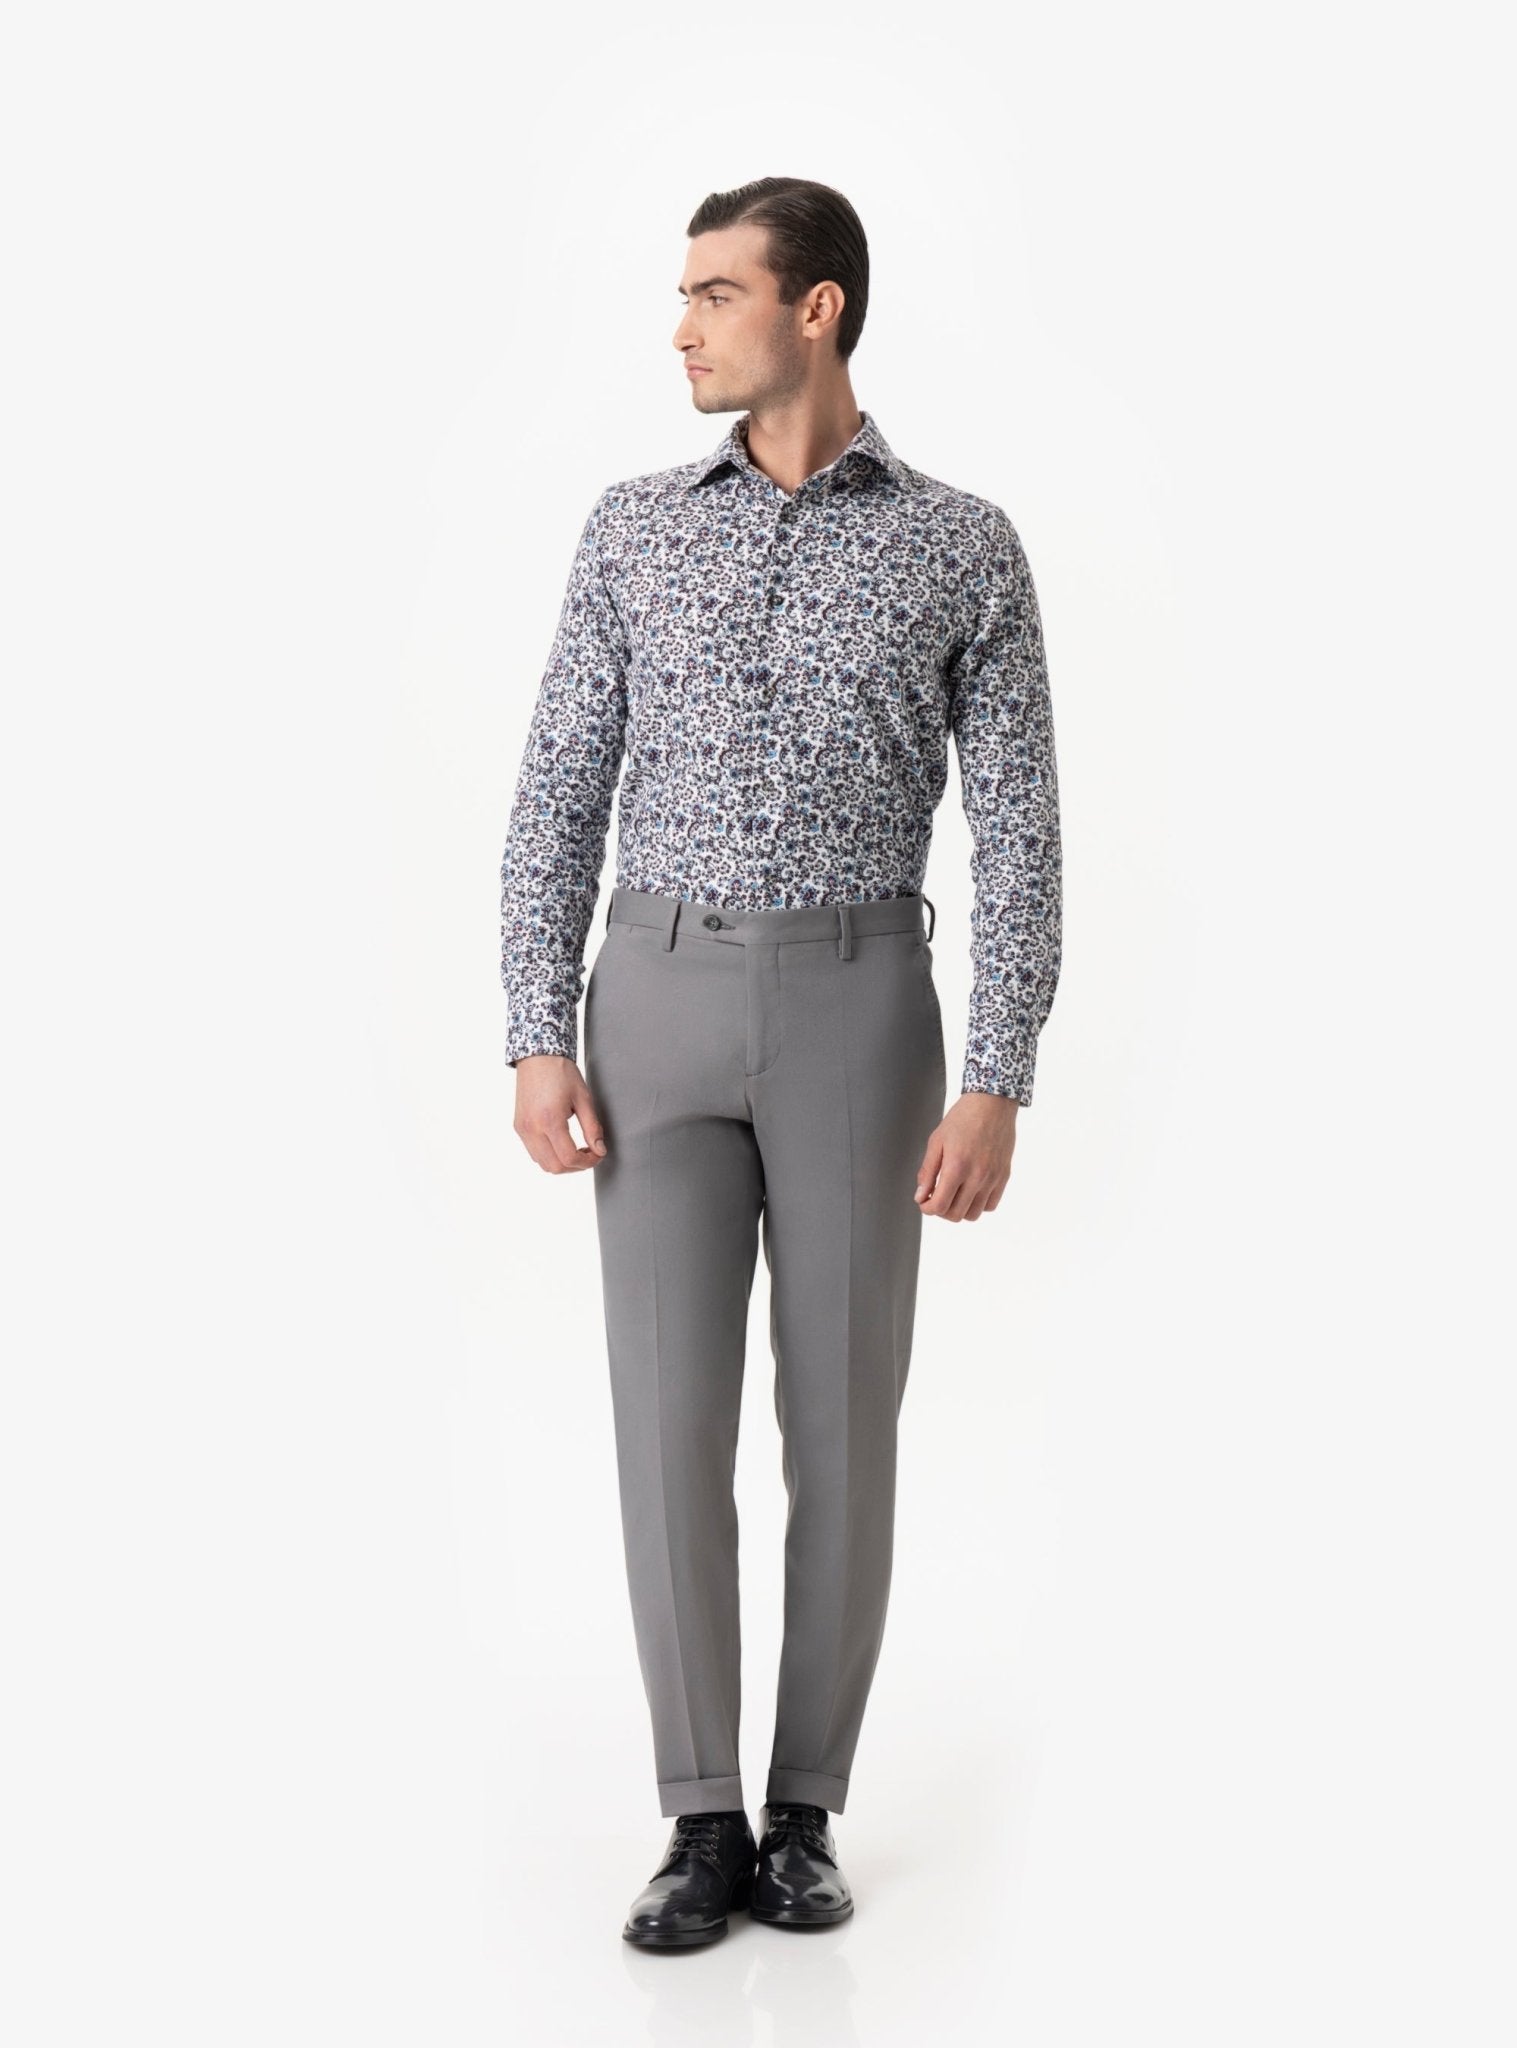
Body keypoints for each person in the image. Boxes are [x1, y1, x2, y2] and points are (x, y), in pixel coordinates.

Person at [499, 175, 1063, 1948]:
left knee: (840, 1425)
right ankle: (699, 1818)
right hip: (652, 1002)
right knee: (667, 1428)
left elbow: (1021, 832)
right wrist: (534, 1027)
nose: (679, 327)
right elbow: (556, 789)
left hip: (856, 1005)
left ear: (814, 309)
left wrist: (998, 1070)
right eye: (682, 293)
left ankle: (805, 1808)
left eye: (713, 293)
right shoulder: (630, 528)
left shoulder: (961, 543)